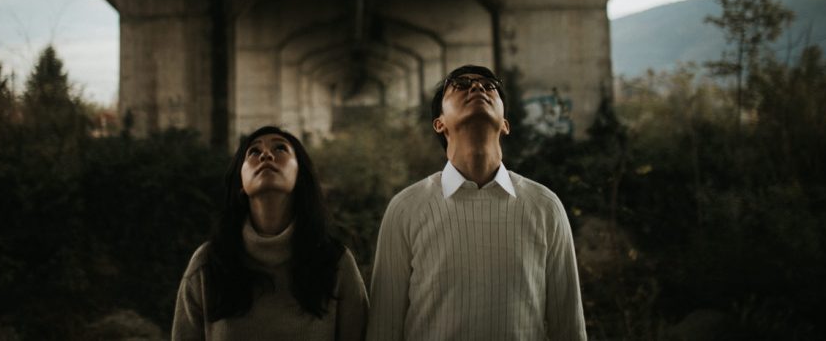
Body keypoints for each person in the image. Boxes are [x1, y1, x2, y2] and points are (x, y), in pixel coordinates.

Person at [366, 65, 587, 341]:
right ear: (439, 123)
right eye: (459, 84)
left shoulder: (545, 206)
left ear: (505, 123)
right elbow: (383, 328)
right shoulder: (406, 208)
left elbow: (568, 327)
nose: (477, 87)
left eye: (489, 85)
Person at [172, 125, 369, 340]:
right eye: (254, 152)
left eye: (280, 149)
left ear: (299, 175)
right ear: (240, 182)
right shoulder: (209, 263)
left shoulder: (336, 263)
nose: (266, 154)